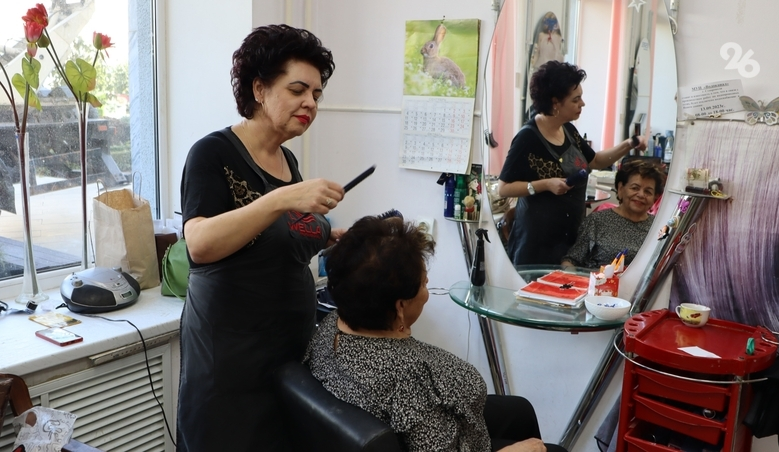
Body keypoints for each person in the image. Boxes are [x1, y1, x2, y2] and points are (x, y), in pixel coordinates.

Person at [177, 25, 345, 451]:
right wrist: (281, 198)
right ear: (259, 89)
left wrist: (335, 237)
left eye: (317, 94)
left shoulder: (286, 159)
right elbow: (200, 244)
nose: (311, 103)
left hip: (288, 356)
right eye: (298, 90)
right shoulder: (212, 153)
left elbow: (277, 240)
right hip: (229, 366)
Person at [304, 215, 568, 452]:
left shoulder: (331, 324)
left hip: (435, 418)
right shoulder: (406, 378)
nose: (427, 285)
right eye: (423, 283)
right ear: (399, 307)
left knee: (520, 411)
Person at [498, 60, 647, 266]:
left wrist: (630, 144)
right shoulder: (528, 138)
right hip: (536, 242)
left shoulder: (568, 129)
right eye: (576, 99)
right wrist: (545, 184)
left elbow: (595, 161)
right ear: (555, 103)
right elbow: (503, 188)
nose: (582, 104)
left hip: (569, 237)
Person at [562, 160, 665, 269]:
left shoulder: (659, 228)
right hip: (596, 279)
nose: (641, 195)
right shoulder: (597, 221)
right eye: (635, 188)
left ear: (655, 197)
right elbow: (571, 260)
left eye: (648, 192)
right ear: (620, 189)